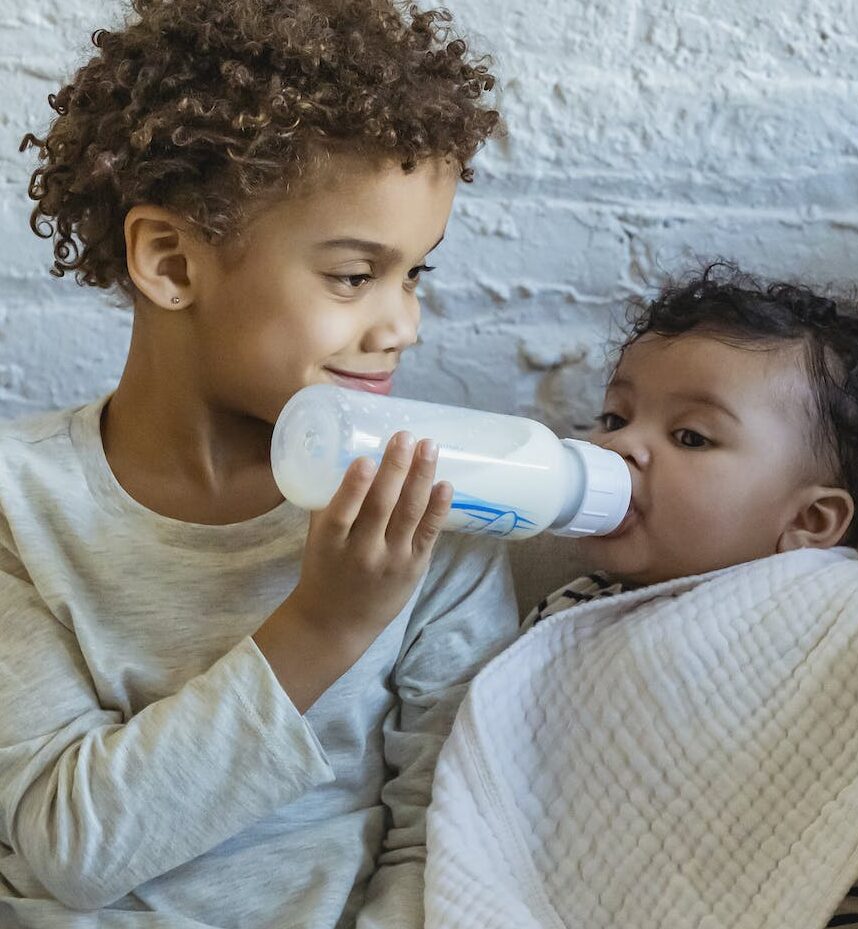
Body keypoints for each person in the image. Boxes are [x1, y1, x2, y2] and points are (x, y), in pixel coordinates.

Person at [0, 1, 518, 927]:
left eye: (416, 274)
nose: (403, 325)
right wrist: (322, 626)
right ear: (170, 260)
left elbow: (442, 844)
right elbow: (70, 847)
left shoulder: (445, 505)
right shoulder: (19, 505)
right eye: (354, 276)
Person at [424, 263, 858, 929]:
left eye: (689, 436)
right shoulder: (562, 618)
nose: (620, 445)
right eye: (613, 415)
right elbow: (509, 786)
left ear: (808, 521)